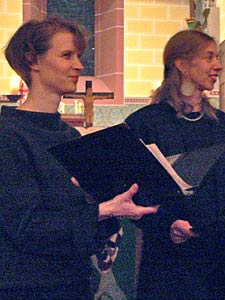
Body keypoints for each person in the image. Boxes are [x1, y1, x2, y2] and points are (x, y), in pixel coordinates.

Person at [0, 16, 157, 300]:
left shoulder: (69, 136)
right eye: (66, 55)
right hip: (27, 287)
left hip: (74, 281)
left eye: (79, 55)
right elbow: (27, 228)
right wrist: (103, 210)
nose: (79, 65)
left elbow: (83, 220)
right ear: (33, 60)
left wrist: (119, 201)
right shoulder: (7, 135)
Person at [125, 29, 225, 300]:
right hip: (171, 257)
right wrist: (166, 225)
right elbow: (135, 192)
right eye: (209, 57)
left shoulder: (223, 124)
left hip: (221, 255)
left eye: (217, 57)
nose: (218, 65)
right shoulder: (146, 123)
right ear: (181, 65)